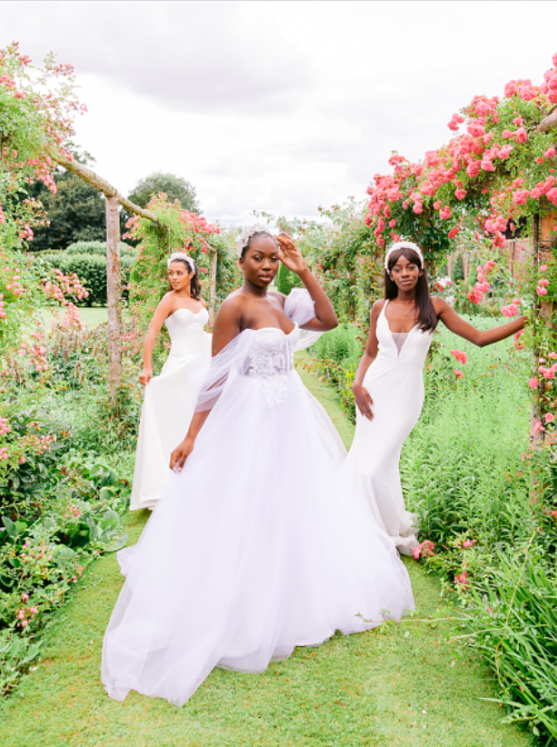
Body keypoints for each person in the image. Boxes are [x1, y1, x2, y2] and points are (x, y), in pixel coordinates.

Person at [102, 226, 415, 706]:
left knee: (295, 499)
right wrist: (191, 435)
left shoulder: (286, 299)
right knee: (246, 498)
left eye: (273, 258)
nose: (267, 265)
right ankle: (241, 598)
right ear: (242, 260)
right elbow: (214, 375)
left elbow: (328, 320)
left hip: (290, 411)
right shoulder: (234, 306)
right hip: (247, 414)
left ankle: (292, 590)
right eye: (258, 258)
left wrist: (302, 270)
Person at [343, 240, 528, 554]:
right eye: (398, 268)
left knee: (377, 463)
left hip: (406, 397)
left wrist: (526, 320)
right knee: (373, 463)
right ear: (389, 273)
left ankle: (382, 528)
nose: (405, 273)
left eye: (411, 267)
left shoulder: (436, 306)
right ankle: (376, 526)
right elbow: (370, 353)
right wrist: (357, 385)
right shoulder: (380, 307)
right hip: (374, 392)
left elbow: (479, 339)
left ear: (421, 269)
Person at [129, 252, 210, 511]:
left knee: (202, 422)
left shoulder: (199, 301)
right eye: (171, 273)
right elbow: (151, 332)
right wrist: (147, 365)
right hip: (179, 367)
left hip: (202, 365)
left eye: (179, 273)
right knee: (179, 421)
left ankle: (200, 480)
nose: (174, 278)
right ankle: (172, 483)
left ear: (191, 274)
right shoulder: (169, 299)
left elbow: (203, 333)